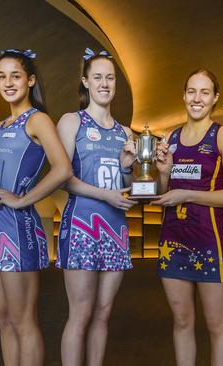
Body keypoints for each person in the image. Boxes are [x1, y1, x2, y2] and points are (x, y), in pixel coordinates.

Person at [0, 48, 72, 366]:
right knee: (4, 318)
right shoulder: (1, 123)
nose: (8, 82)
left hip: (18, 230)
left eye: (15, 75)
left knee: (23, 321)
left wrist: (23, 199)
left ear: (30, 80)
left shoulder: (38, 120)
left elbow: (62, 169)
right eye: (1, 76)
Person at [152, 69, 223, 366]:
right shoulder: (172, 137)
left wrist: (188, 195)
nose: (197, 98)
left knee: (216, 325)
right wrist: (165, 173)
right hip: (173, 238)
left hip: (211, 240)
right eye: (192, 91)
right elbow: (162, 192)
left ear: (215, 98)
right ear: (183, 96)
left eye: (204, 92)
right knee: (181, 321)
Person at [55, 48, 137, 366]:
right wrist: (105, 195)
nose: (104, 83)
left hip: (115, 229)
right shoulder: (71, 121)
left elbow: (126, 184)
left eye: (110, 77)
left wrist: (128, 167)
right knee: (81, 313)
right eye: (98, 77)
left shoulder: (125, 132)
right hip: (81, 227)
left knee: (103, 314)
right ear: (85, 81)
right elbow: (64, 179)